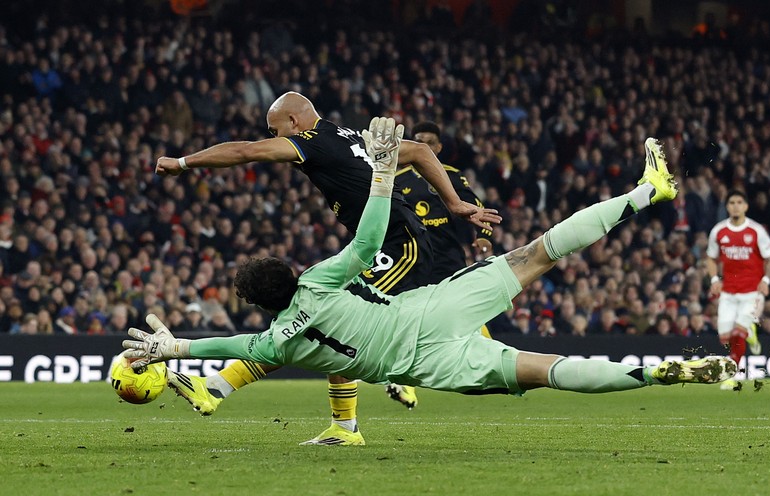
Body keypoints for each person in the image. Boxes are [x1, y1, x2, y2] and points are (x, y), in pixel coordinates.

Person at [125, 121, 736, 445]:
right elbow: (366, 241)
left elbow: (230, 347)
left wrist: (174, 347)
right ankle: (644, 192)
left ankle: (658, 372)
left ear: (259, 305)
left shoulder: (276, 341)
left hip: (429, 360)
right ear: (288, 272)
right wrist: (385, 172)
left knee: (543, 370)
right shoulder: (319, 278)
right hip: (430, 308)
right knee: (538, 253)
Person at [154, 93, 501, 445]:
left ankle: (222, 388)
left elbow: (245, 151)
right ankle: (332, 423)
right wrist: (454, 203)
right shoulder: (351, 136)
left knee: (323, 318)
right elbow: (422, 152)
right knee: (322, 320)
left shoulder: (313, 141)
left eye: (276, 131)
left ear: (294, 122)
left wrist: (182, 163)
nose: (276, 139)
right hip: (387, 241)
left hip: (400, 244)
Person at [386, 120, 495, 408]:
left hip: (449, 257)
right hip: (414, 257)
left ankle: (492, 363)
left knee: (469, 310)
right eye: (418, 141)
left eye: (430, 142)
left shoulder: (450, 176)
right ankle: (403, 383)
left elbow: (476, 206)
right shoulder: (399, 178)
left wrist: (484, 237)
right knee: (410, 318)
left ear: (439, 147)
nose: (424, 146)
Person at [706, 190, 770, 390]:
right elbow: (710, 257)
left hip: (752, 292)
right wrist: (714, 279)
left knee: (738, 332)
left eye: (739, 202)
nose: (735, 205)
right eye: (731, 202)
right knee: (725, 336)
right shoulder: (719, 231)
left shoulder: (756, 231)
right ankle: (751, 333)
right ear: (727, 206)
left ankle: (731, 375)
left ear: (745, 206)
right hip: (728, 292)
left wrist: (766, 280)